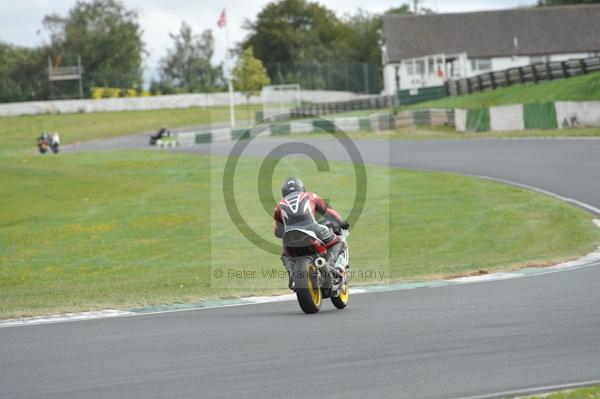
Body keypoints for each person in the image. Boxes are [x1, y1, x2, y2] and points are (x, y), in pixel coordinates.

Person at [273, 177, 349, 289]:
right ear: (302, 188)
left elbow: (278, 232)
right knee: (339, 242)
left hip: (289, 235)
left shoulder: (279, 205)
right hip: (312, 228)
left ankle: (292, 276)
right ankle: (330, 265)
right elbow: (329, 212)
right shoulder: (310, 196)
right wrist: (341, 223)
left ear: (283, 192)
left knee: (285, 256)